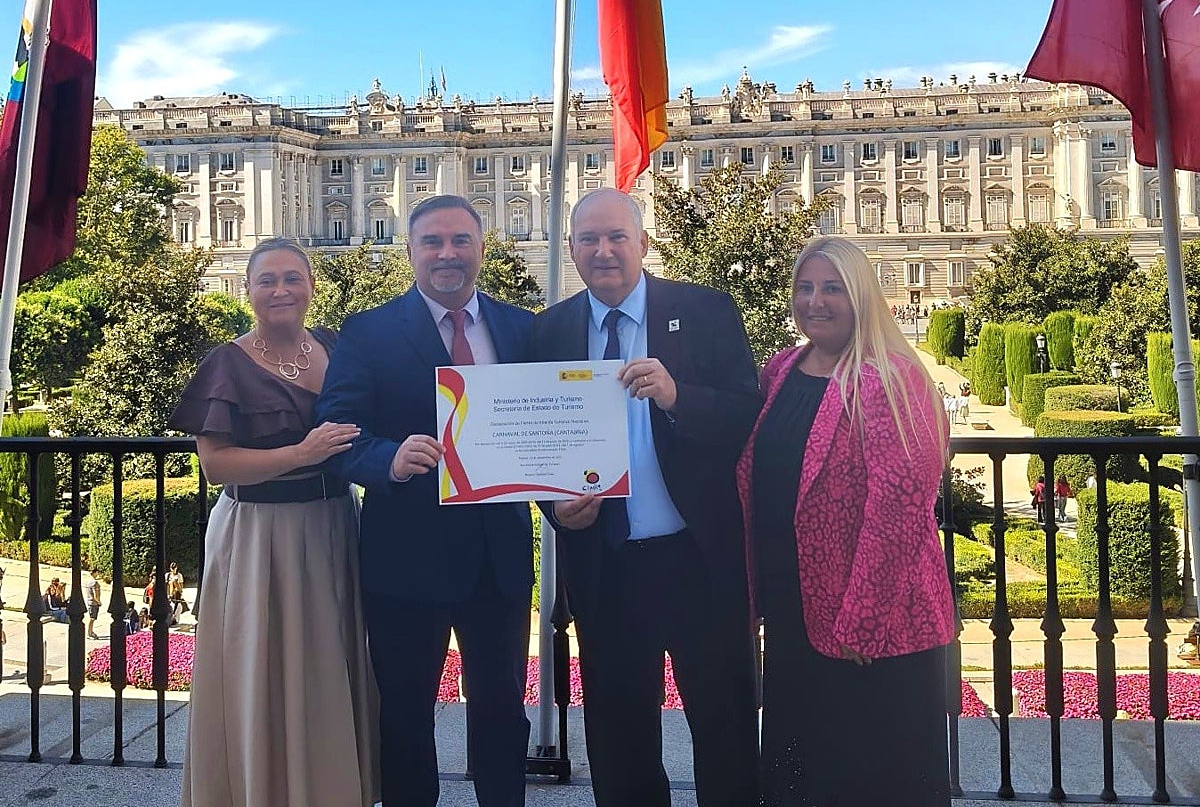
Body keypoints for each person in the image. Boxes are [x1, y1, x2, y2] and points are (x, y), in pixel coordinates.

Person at [527, 188, 761, 807]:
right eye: (589, 240)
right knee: (619, 730)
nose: (603, 251)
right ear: (572, 249)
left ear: (642, 244)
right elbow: (536, 447)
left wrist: (678, 394)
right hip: (608, 563)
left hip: (697, 557)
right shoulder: (549, 330)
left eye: (616, 238)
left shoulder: (705, 311)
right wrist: (556, 508)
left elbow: (745, 411)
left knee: (724, 720)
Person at [317, 195, 534, 807]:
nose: (447, 254)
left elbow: (548, 431)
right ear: (409, 251)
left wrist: (572, 494)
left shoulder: (521, 327)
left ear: (481, 250)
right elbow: (337, 430)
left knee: (500, 710)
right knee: (407, 717)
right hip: (406, 561)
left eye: (461, 241)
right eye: (433, 242)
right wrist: (386, 458)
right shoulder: (368, 331)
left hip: (499, 558)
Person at [736, 236, 955, 806]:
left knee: (871, 777)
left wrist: (862, 621)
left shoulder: (892, 378)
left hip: (874, 629)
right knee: (804, 774)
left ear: (861, 296)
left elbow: (901, 506)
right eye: (805, 288)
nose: (816, 301)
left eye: (832, 288)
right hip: (796, 614)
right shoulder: (781, 369)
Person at [169, 237, 378, 807]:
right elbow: (214, 465)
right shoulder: (227, 361)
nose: (281, 290)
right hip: (261, 534)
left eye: (292, 278)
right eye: (268, 280)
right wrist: (299, 455)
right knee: (261, 671)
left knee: (325, 668)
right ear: (249, 290)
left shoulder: (335, 347)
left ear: (312, 285)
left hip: (334, 524)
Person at [85, 569, 102, 639]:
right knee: (92, 618)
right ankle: (89, 633)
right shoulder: (95, 583)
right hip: (94, 603)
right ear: (94, 573)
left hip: (89, 601)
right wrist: (99, 602)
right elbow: (96, 594)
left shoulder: (88, 581)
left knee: (92, 618)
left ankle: (90, 631)